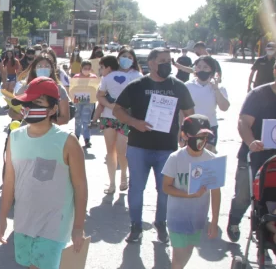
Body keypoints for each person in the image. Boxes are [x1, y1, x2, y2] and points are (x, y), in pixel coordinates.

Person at [0, 77, 87, 269]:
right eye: (27, 103)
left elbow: (80, 185)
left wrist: (78, 227)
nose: (29, 108)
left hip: (54, 224)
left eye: (37, 104)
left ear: (52, 108)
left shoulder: (67, 141)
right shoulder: (16, 138)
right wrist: (1, 216)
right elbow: (9, 178)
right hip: (24, 222)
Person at [113, 47, 195, 244]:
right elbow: (117, 110)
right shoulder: (137, 85)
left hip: (167, 148)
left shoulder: (178, 86)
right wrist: (134, 123)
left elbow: (190, 113)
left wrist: (185, 133)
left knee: (165, 189)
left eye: (169, 60)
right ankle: (136, 226)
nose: (166, 64)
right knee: (136, 189)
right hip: (138, 147)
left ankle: (161, 223)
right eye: (162, 60)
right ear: (151, 63)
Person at [226, 55, 276, 243]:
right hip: (255, 156)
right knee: (245, 197)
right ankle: (234, 221)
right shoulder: (258, 95)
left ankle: (266, 232)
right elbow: (244, 123)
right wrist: (251, 141)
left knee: (275, 199)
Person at [162, 114, 220, 269]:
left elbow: (216, 191)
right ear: (186, 135)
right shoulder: (175, 158)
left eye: (206, 136)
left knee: (186, 253)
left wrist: (214, 221)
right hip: (177, 216)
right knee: (178, 257)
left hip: (198, 218)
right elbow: (166, 187)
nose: (202, 141)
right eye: (198, 136)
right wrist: (189, 194)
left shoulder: (211, 160)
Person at [97, 55, 132, 194]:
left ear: (108, 67)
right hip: (123, 117)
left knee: (111, 151)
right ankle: (122, 176)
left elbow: (99, 96)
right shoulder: (129, 77)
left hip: (109, 117)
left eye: (101, 68)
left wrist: (110, 106)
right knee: (121, 151)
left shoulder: (106, 79)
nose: (100, 71)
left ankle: (113, 183)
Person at [185, 56, 230, 152]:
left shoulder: (219, 88)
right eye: (199, 67)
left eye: (205, 67)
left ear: (212, 70)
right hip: (191, 126)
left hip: (210, 126)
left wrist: (216, 89)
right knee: (192, 155)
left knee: (208, 153)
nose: (201, 69)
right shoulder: (188, 86)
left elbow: (224, 107)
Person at [14, 53, 71, 125]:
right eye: (40, 66)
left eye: (47, 66)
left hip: (49, 132)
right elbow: (12, 110)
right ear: (34, 70)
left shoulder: (59, 89)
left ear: (51, 70)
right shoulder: (25, 88)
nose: (43, 68)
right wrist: (19, 115)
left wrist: (44, 121)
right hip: (27, 130)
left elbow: (65, 118)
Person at [69, 60, 99, 149]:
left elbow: (96, 89)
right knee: (77, 120)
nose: (87, 70)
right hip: (78, 101)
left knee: (86, 120)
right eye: (85, 68)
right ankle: (77, 137)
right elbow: (72, 89)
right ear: (81, 68)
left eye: (89, 68)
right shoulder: (76, 77)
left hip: (88, 102)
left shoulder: (93, 78)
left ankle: (87, 139)